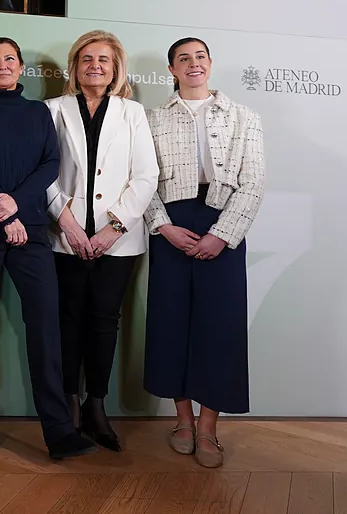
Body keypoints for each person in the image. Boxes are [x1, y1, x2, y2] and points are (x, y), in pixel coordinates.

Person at [0, 37, 95, 460]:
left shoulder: (38, 113)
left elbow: (50, 164)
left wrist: (16, 205)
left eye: (9, 59)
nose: (2, 65)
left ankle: (59, 431)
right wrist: (5, 214)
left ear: (20, 68)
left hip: (30, 230)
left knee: (46, 327)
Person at [143, 38, 264, 469]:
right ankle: (183, 420)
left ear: (210, 64)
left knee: (220, 326)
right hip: (172, 223)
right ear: (171, 69)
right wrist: (162, 226)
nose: (193, 64)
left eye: (200, 57)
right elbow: (142, 179)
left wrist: (222, 235)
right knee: (171, 321)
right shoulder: (152, 118)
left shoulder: (244, 117)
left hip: (223, 222)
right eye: (183, 59)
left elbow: (253, 182)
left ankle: (209, 427)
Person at [44, 30, 159, 453]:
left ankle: (96, 404)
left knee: (104, 321)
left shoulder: (132, 112)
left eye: (104, 60)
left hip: (119, 241)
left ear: (115, 70)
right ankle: (69, 406)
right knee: (68, 319)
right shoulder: (52, 110)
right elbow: (43, 171)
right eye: (87, 59)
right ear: (75, 67)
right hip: (65, 236)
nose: (95, 66)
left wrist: (114, 228)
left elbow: (146, 176)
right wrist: (68, 224)